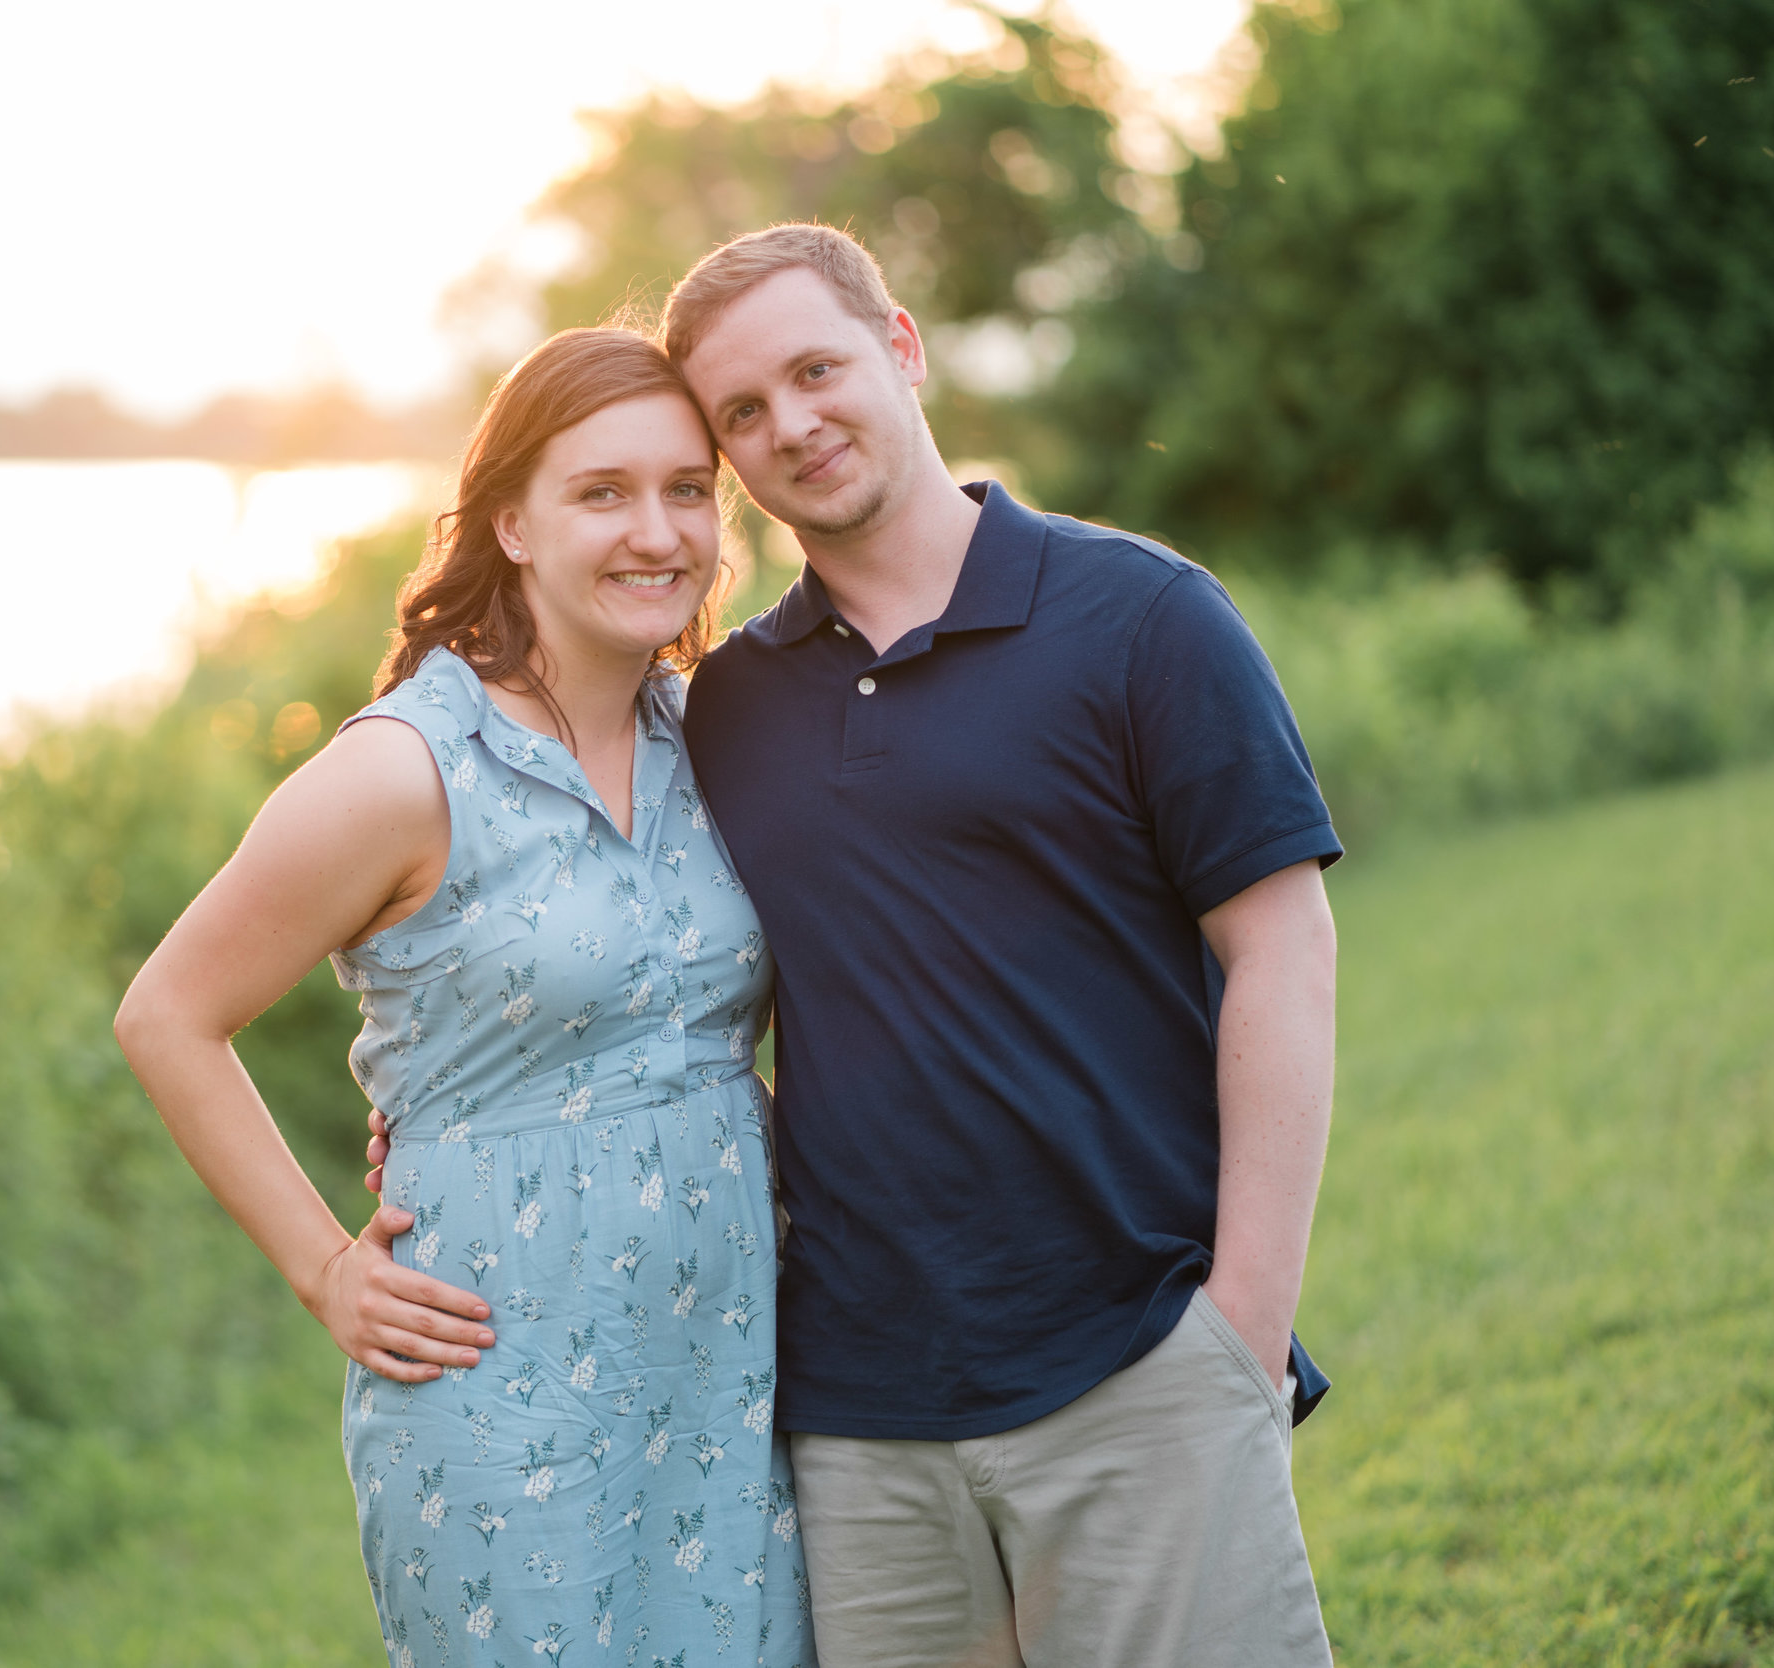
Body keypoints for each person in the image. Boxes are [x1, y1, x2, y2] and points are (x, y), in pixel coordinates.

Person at [376, 223, 1341, 1667]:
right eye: (743, 415)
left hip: (1138, 1364)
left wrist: (1243, 1324)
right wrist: (443, 1120)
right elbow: (629, 966)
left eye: (817, 371)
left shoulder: (1142, 618)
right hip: (853, 1424)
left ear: (901, 347)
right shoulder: (727, 708)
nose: (793, 428)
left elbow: (1283, 949)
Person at [115, 327, 815, 1668]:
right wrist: (324, 1269)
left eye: (686, 490)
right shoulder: (406, 772)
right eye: (600, 492)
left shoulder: (716, 737)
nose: (655, 530)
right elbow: (168, 1013)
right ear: (510, 521)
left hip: (734, 1376)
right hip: (500, 1395)